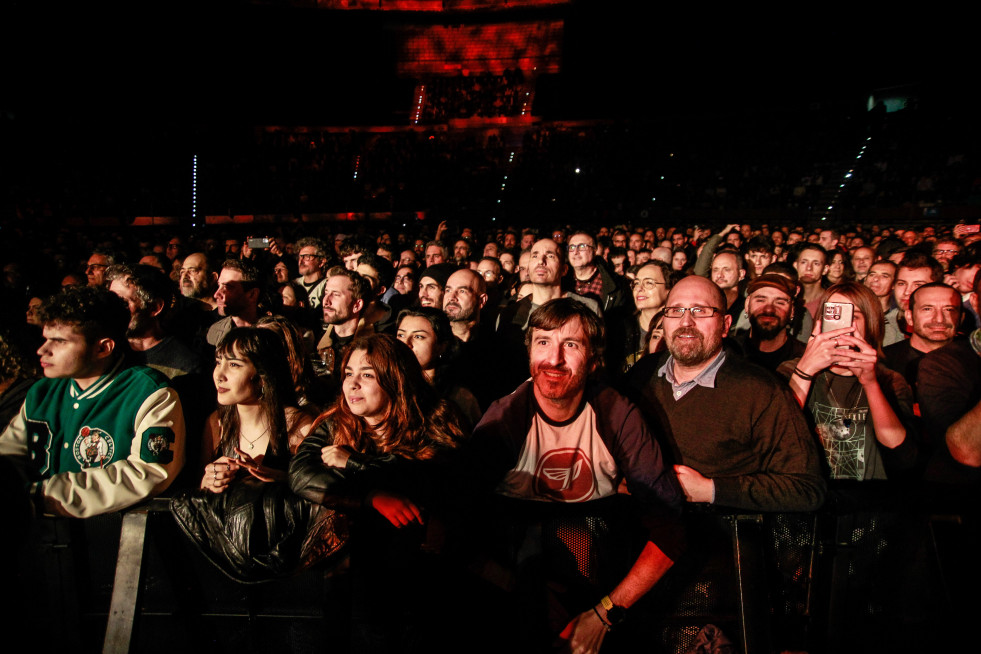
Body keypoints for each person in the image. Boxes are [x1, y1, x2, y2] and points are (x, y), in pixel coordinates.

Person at [467, 298, 684, 652]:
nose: (553, 359)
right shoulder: (505, 418)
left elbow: (670, 528)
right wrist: (528, 597)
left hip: (597, 582)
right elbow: (455, 525)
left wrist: (604, 615)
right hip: (512, 582)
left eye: (571, 344)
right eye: (543, 343)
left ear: (594, 359)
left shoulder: (616, 414)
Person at [289, 334, 466, 651]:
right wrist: (369, 498)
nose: (352, 384)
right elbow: (301, 475)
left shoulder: (437, 418)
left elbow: (427, 475)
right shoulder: (334, 424)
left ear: (396, 379)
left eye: (367, 375)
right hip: (354, 575)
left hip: (422, 576)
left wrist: (354, 464)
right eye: (348, 374)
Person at [626, 276, 824, 512]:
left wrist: (711, 490)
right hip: (637, 533)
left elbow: (805, 488)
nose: (686, 321)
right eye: (675, 310)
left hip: (719, 539)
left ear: (726, 324)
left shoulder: (760, 391)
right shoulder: (642, 374)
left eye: (700, 311)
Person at [0, 285, 185, 517]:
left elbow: (147, 473)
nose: (42, 350)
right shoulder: (41, 391)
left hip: (109, 537)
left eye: (59, 341)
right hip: (36, 537)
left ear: (103, 347)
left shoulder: (149, 392)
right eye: (45, 339)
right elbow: (9, 455)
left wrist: (41, 496)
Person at [782, 282, 917, 481]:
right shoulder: (791, 370)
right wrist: (805, 370)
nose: (841, 326)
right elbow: (776, 434)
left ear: (870, 323)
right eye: (833, 316)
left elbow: (903, 456)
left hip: (869, 500)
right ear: (820, 321)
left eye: (852, 317)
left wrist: (870, 384)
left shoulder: (890, 380)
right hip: (813, 496)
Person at [396, 307, 480, 427]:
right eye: (401, 335)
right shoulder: (385, 385)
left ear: (441, 346)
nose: (406, 343)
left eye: (418, 337)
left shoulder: (459, 398)